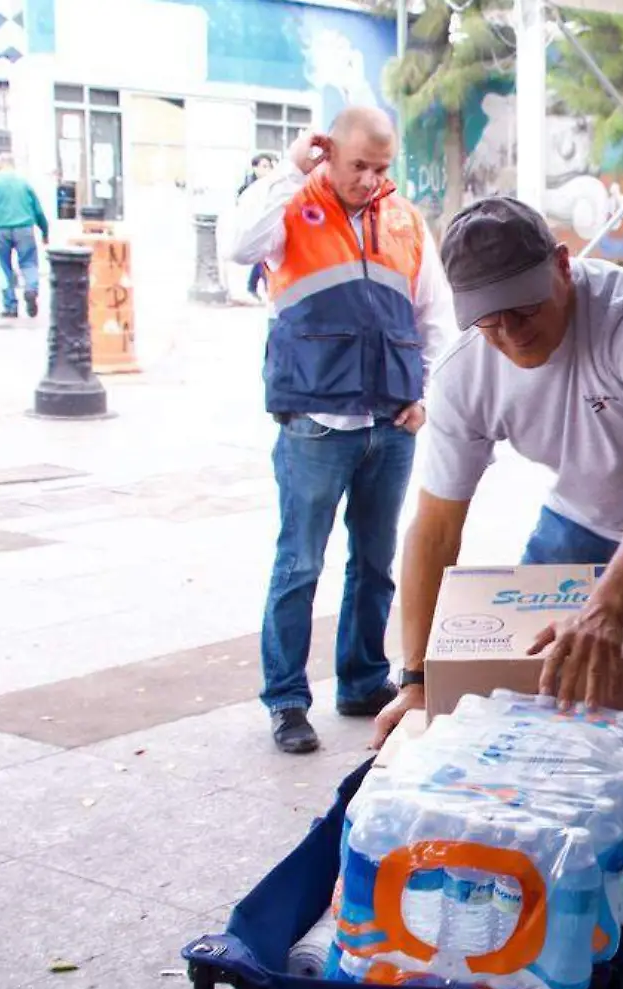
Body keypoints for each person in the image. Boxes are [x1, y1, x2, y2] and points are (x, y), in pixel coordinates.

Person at [365, 196, 623, 989]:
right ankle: (554, 907)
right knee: (521, 706)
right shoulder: (469, 369)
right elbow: (435, 527)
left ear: (561, 263)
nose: (510, 333)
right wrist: (414, 676)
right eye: (488, 321)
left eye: (523, 309)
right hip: (576, 523)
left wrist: (610, 607)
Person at [227, 107, 455, 755]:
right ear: (328, 153)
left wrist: (424, 393)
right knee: (299, 563)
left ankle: (361, 681)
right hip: (315, 425)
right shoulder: (293, 205)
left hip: (390, 424)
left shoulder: (406, 219)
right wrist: (289, 171)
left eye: (382, 167)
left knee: (376, 563)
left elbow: (435, 316)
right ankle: (288, 700)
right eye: (359, 165)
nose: (369, 179)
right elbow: (238, 246)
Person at [0, 152, 50, 319]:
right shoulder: (23, 182)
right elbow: (38, 210)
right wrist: (45, 231)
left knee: (4, 267)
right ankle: (31, 288)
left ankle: (10, 306)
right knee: (29, 262)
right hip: (24, 228)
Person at [238, 152, 278, 302]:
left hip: (266, 227)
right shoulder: (248, 187)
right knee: (262, 259)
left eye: (269, 166)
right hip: (252, 228)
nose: (267, 170)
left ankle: (256, 287)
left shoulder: (270, 185)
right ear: (255, 167)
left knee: (264, 259)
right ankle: (261, 287)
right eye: (264, 166)